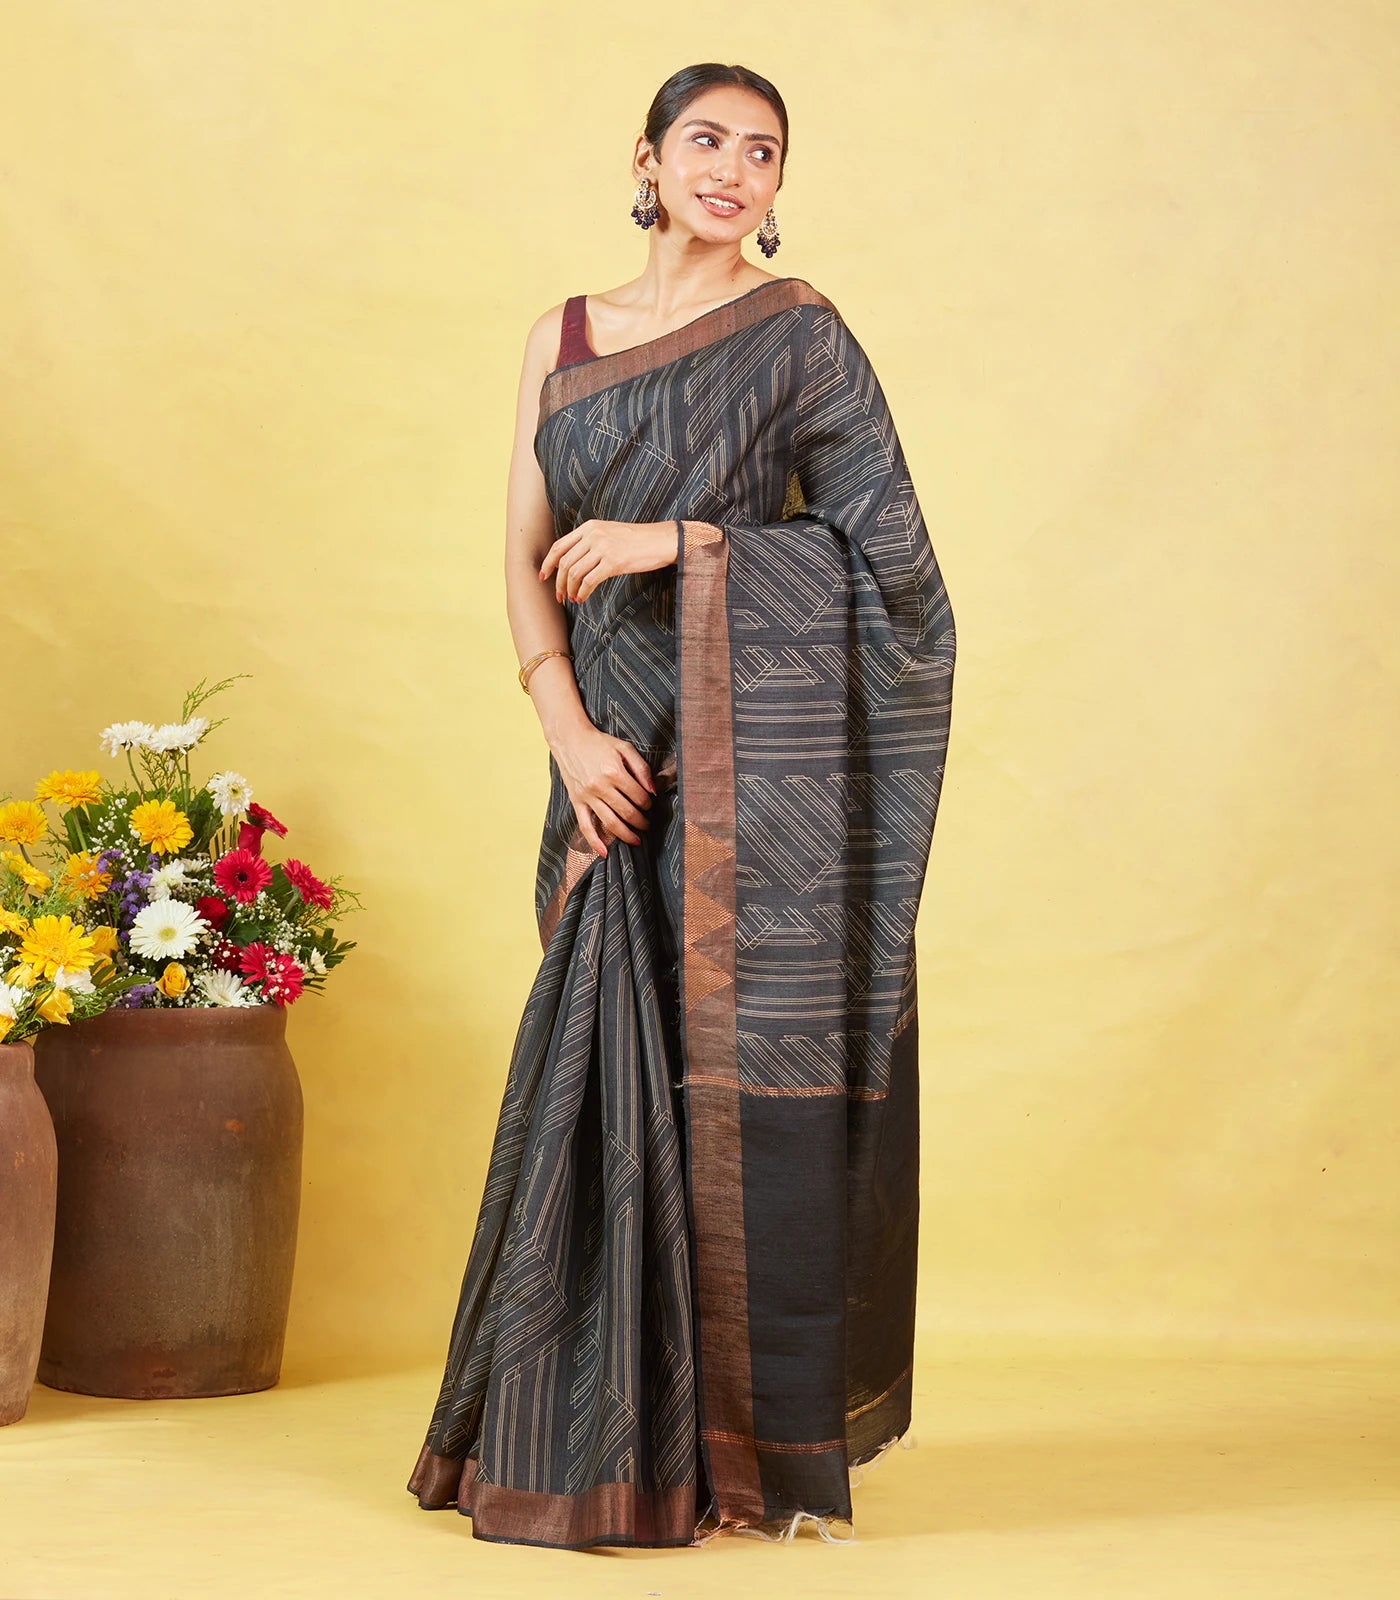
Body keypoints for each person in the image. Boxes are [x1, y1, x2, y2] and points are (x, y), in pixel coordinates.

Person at [406, 60, 957, 1550]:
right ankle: (581, 1442)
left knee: (726, 1089)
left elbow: (897, 578)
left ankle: (735, 1452)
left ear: (776, 188)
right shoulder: (562, 337)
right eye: (706, 139)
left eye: (762, 152)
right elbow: (522, 558)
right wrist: (569, 737)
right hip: (609, 762)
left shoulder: (801, 338)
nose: (732, 167)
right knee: (597, 1079)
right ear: (646, 158)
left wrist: (683, 543)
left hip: (752, 792)